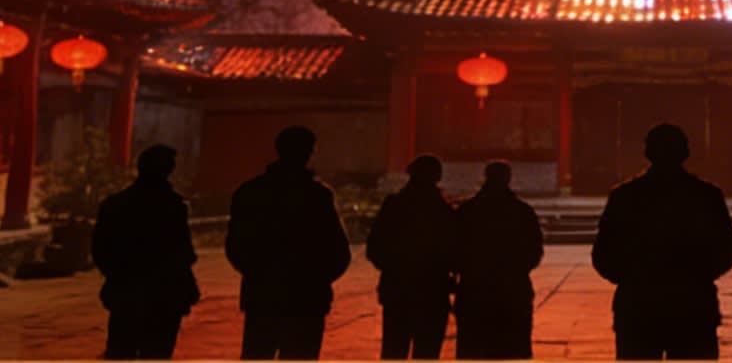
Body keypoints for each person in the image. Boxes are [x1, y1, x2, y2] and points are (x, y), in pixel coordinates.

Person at [591, 123, 732, 359]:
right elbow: (727, 249)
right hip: (693, 303)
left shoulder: (625, 197)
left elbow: (603, 254)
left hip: (638, 304)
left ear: (647, 153)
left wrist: (632, 278)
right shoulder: (706, 196)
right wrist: (699, 276)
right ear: (686, 153)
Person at [226, 126, 352, 360]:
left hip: (262, 296)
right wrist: (317, 279)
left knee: (258, 354)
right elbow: (338, 251)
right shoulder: (317, 196)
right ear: (309, 152)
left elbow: (236, 246)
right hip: (307, 299)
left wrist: (259, 273)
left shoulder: (251, 192)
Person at [92, 144, 200, 360]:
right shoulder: (172, 206)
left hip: (126, 292)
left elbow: (100, 250)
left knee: (122, 350)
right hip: (164, 295)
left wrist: (117, 275)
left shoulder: (115, 204)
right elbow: (183, 252)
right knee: (158, 352)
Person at [368, 154, 458, 359]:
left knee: (394, 350)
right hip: (433, 291)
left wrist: (394, 269)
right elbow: (455, 250)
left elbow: (375, 248)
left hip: (398, 290)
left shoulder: (395, 205)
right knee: (427, 352)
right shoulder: (442, 211)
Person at [454, 160, 546, 360]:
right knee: (512, 349)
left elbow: (453, 249)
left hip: (474, 289)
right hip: (513, 289)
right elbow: (534, 251)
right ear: (508, 178)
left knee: (474, 349)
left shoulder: (468, 210)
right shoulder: (522, 211)